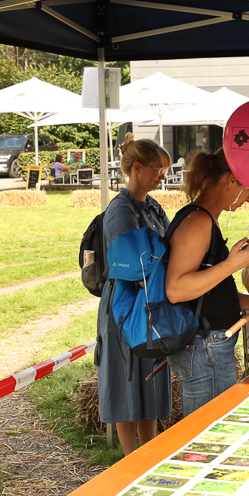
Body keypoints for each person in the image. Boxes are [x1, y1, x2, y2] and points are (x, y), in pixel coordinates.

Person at [164, 149, 249, 415]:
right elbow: (176, 289)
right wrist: (231, 265)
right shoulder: (198, 221)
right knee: (207, 438)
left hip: (210, 345)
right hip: (203, 347)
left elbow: (207, 291)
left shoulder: (206, 220)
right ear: (231, 180)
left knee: (214, 433)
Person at [95, 136, 173, 455]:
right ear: (137, 168)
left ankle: (149, 455)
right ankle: (131, 462)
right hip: (126, 307)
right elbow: (132, 265)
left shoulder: (153, 206)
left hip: (151, 303)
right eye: (158, 169)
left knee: (149, 379)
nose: (163, 176)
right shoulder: (120, 210)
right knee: (127, 380)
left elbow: (171, 247)